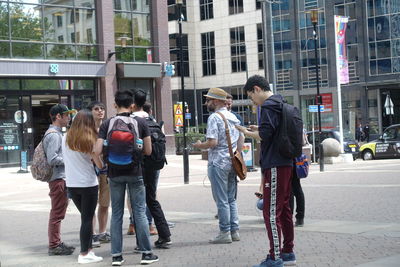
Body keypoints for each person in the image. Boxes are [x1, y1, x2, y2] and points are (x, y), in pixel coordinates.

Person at [94, 89, 159, 266]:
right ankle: (146, 254)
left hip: (114, 174)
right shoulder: (140, 122)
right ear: (132, 105)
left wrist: (103, 167)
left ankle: (116, 256)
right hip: (135, 172)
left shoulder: (107, 124)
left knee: (116, 214)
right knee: (139, 212)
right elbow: (148, 151)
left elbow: (96, 151)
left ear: (115, 105)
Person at [236, 75, 296, 267]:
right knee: (284, 209)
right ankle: (287, 252)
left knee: (271, 213)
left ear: (257, 89)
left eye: (251, 96)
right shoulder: (281, 102)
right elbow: (274, 131)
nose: (253, 101)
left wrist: (246, 132)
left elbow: (264, 135)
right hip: (286, 162)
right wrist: (258, 127)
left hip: (275, 164)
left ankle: (275, 257)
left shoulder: (269, 106)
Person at [193, 87, 244, 244]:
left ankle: (224, 232)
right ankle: (234, 231)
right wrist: (237, 153)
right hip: (232, 162)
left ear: (216, 101)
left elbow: (212, 142)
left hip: (218, 163)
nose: (206, 102)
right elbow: (241, 139)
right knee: (231, 199)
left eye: (208, 100)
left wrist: (199, 145)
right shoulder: (233, 117)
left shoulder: (214, 118)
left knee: (221, 199)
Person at [62, 109, 104, 264]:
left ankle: (89, 250)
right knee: (87, 219)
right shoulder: (89, 139)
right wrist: (101, 164)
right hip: (87, 183)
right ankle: (84, 254)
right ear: (88, 122)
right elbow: (98, 164)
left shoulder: (65, 137)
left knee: (85, 217)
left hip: (72, 184)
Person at [132, 91, 171, 249]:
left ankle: (141, 242)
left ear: (132, 104)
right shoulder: (151, 119)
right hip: (154, 164)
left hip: (139, 166)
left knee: (138, 204)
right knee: (151, 199)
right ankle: (164, 235)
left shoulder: (133, 120)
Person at [45, 104, 76, 256]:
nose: (68, 118)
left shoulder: (56, 133)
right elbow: (52, 159)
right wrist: (69, 159)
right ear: (58, 116)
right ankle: (54, 245)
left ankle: (56, 243)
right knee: (57, 213)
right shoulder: (53, 135)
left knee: (58, 213)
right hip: (58, 179)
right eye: (66, 115)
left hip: (59, 178)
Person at [87, 101, 111, 247]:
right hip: (91, 170)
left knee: (104, 202)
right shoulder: (87, 129)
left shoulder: (108, 128)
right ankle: (93, 234)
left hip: (106, 170)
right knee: (91, 204)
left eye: (102, 109)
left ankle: (102, 232)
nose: (100, 111)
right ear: (91, 111)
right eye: (96, 109)